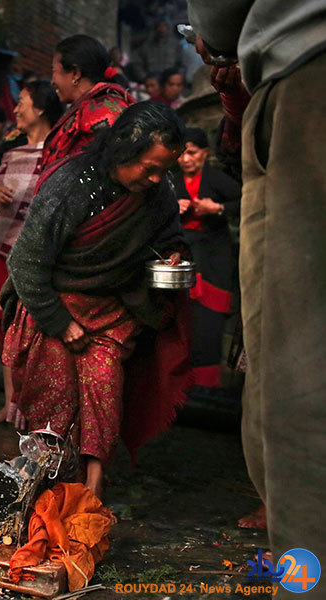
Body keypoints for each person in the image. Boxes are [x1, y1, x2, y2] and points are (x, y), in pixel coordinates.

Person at [188, 0, 326, 564]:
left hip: (309, 70)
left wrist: (218, 40)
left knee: (298, 355)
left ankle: (307, 571)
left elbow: (220, 14)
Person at [1, 102, 191, 500]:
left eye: (164, 170)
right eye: (149, 168)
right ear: (124, 150)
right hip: (54, 305)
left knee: (103, 391)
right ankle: (43, 489)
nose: (157, 179)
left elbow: (169, 235)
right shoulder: (72, 184)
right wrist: (59, 322)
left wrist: (172, 253)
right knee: (54, 400)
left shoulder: (157, 195)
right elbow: (26, 261)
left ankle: (92, 491)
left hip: (112, 311)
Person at [0, 80, 63, 426]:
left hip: (37, 254)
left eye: (22, 102)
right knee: (2, 328)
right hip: (1, 249)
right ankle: (10, 404)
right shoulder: (11, 143)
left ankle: (33, 407)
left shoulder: (62, 147)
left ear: (39, 108)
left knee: (34, 332)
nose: (17, 109)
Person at [173, 127, 241, 389]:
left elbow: (246, 199)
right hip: (184, 260)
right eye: (181, 154)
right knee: (182, 327)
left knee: (209, 326)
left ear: (205, 153)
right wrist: (174, 207)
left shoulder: (217, 180)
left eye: (192, 153)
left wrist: (219, 208)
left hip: (213, 263)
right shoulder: (171, 181)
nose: (186, 159)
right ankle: (178, 391)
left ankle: (206, 388)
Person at [44, 35, 134, 178]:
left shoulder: (102, 112)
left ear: (75, 74)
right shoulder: (90, 108)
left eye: (54, 71)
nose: (52, 81)